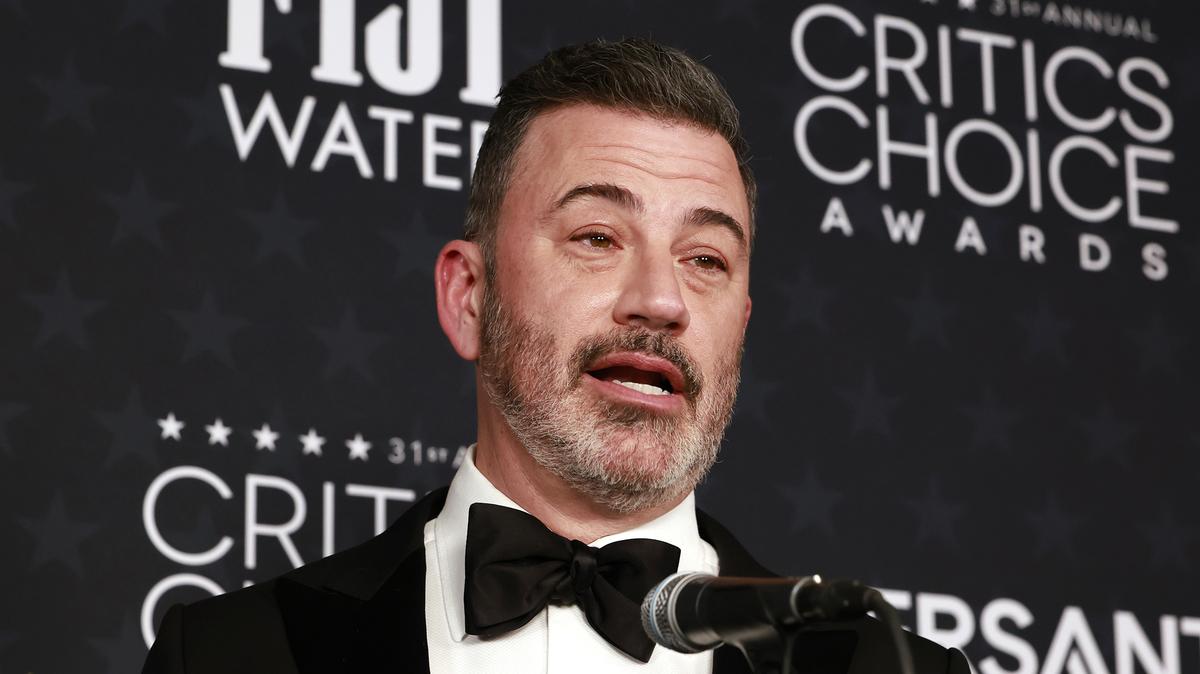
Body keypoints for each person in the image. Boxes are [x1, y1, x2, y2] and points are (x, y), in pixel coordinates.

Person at [143, 38, 970, 674]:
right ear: (470, 297)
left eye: (705, 258)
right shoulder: (230, 654)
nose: (662, 300)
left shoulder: (883, 667)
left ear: (741, 325)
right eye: (598, 237)